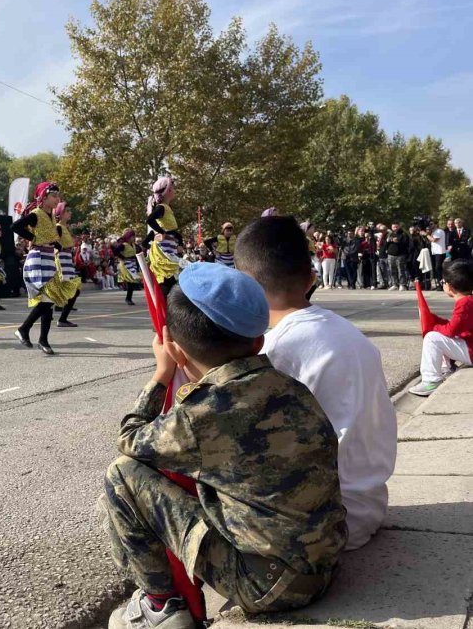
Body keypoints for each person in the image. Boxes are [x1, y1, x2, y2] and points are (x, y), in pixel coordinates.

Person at [101, 263, 346, 628]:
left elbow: (130, 440)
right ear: (258, 341)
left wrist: (161, 373)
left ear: (179, 352)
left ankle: (162, 606)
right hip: (326, 562)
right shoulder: (291, 387)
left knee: (121, 474)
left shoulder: (201, 413)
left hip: (267, 586)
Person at [235, 216, 397, 551]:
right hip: (368, 506)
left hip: (322, 524)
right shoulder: (349, 334)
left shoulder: (274, 350)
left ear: (243, 284)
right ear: (311, 277)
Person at [12, 182, 74, 355]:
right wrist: (34, 237)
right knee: (47, 299)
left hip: (48, 258)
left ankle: (38, 337)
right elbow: (15, 227)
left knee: (49, 301)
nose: (57, 199)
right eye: (53, 196)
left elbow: (49, 235)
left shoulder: (52, 216)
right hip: (38, 259)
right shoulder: (36, 214)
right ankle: (27, 331)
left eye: (58, 196)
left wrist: (56, 244)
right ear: (43, 197)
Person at [409, 260, 473, 396]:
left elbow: (451, 330)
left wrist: (435, 327)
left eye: (443, 282)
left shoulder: (464, 303)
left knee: (432, 338)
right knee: (440, 336)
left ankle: (431, 381)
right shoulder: (468, 300)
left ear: (450, 287)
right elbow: (457, 326)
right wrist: (436, 322)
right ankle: (447, 369)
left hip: (471, 351)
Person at [145, 176, 185, 296]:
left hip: (170, 248)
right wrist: (161, 232)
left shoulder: (167, 208)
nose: (175, 189)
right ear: (168, 190)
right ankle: (165, 311)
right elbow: (149, 220)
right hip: (163, 250)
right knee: (167, 281)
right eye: (173, 187)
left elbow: (172, 231)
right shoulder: (161, 208)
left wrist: (180, 243)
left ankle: (167, 310)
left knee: (172, 280)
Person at [54, 202, 83, 328]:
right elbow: (52, 242)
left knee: (73, 291)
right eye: (67, 211)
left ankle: (62, 317)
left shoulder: (65, 228)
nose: (70, 213)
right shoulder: (59, 227)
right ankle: (61, 318)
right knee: (73, 290)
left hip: (67, 260)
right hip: (61, 260)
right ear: (60, 213)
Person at [114, 228, 142, 306]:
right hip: (126, 264)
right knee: (130, 281)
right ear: (128, 237)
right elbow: (115, 251)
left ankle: (128, 298)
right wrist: (123, 257)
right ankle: (128, 299)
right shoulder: (123, 245)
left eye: (134, 236)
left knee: (132, 281)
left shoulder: (133, 245)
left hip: (132, 263)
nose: (134, 238)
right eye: (132, 236)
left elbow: (138, 253)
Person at [386, 222, 410, 291]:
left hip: (400, 255)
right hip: (391, 254)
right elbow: (386, 244)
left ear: (399, 226)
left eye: (396, 227)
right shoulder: (390, 234)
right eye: (393, 227)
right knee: (392, 270)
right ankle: (394, 284)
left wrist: (398, 241)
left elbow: (406, 244)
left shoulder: (403, 234)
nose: (395, 228)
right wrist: (388, 241)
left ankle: (402, 284)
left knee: (401, 270)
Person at [429, 218, 447, 290]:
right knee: (436, 269)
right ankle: (440, 284)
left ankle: (442, 284)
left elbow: (434, 240)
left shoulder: (439, 231)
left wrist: (426, 234)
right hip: (435, 252)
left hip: (440, 252)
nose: (430, 225)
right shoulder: (433, 232)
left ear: (436, 224)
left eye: (431, 224)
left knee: (438, 268)